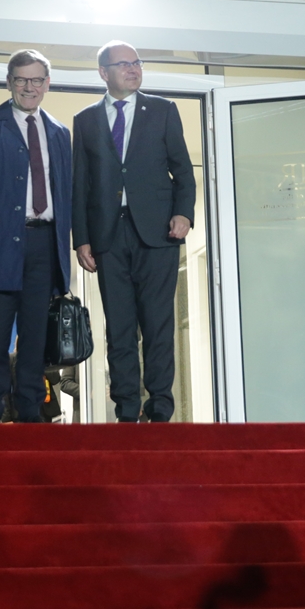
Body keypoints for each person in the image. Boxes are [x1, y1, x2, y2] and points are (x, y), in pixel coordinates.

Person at [72, 41, 196, 423]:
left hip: (158, 233)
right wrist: (81, 238)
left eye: (137, 63)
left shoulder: (162, 110)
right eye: (123, 64)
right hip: (108, 235)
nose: (133, 69)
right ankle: (126, 410)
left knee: (158, 324)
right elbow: (80, 184)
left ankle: (159, 409)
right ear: (103, 72)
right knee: (119, 327)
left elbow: (183, 169)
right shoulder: (85, 120)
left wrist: (183, 213)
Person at [0, 50, 72, 424]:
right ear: (9, 82)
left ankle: (30, 416)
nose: (29, 87)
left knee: (35, 339)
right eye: (21, 79)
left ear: (47, 84)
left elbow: (67, 194)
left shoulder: (59, 133)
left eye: (36, 79)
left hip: (44, 244)